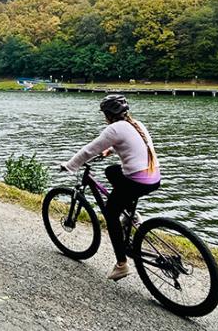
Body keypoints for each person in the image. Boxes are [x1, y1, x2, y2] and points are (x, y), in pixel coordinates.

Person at [62, 94, 161, 281]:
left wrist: (70, 166)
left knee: (110, 213)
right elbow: (131, 143)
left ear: (108, 114)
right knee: (112, 171)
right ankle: (130, 213)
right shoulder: (136, 124)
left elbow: (88, 151)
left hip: (137, 181)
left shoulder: (114, 129)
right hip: (153, 177)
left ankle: (122, 264)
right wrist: (110, 150)